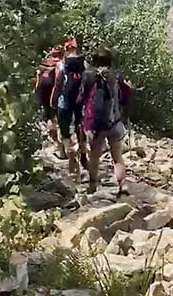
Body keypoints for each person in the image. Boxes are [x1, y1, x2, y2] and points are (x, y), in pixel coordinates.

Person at [80, 47, 132, 194]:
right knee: (117, 157)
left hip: (95, 124)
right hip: (114, 122)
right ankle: (123, 185)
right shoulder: (116, 77)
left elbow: (81, 97)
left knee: (95, 157)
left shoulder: (88, 75)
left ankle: (92, 186)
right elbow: (126, 96)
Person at [50, 39, 88, 179]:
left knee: (65, 131)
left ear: (65, 49)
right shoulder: (84, 64)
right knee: (80, 127)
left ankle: (70, 154)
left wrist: (53, 99)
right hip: (80, 100)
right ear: (76, 49)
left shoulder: (61, 64)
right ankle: (83, 155)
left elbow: (58, 83)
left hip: (64, 100)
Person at [35, 46, 65, 158]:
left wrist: (37, 93)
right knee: (57, 118)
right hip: (54, 92)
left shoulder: (44, 63)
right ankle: (61, 148)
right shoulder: (60, 64)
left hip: (43, 91)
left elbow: (38, 78)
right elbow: (60, 81)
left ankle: (56, 144)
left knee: (49, 117)